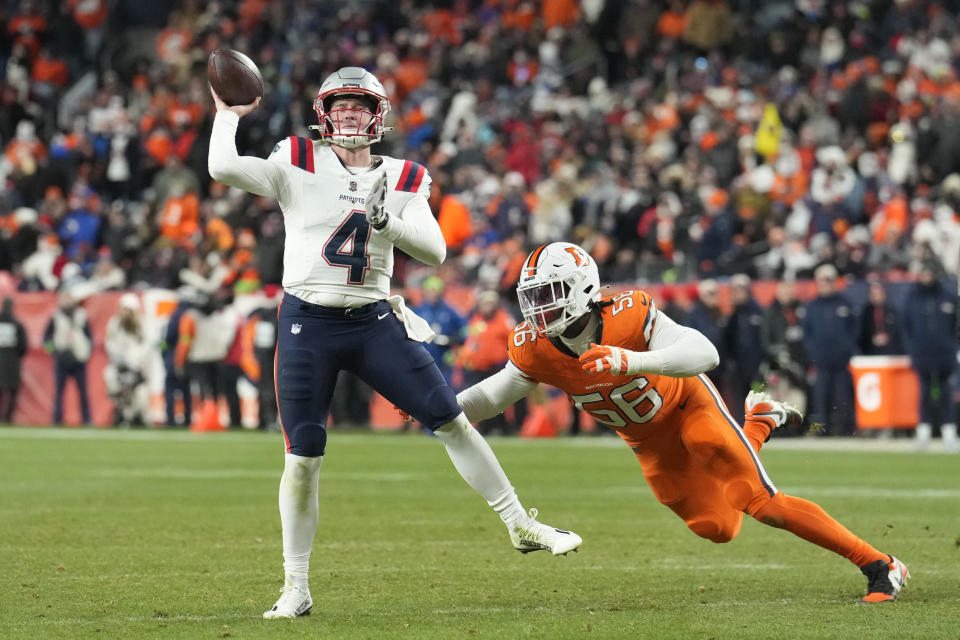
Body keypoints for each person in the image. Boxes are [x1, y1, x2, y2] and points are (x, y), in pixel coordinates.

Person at [207, 66, 581, 619]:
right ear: (324, 113)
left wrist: (387, 222)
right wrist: (227, 115)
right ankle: (296, 585)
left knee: (450, 417)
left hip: (372, 319)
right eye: (341, 105)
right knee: (303, 456)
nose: (350, 114)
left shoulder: (406, 175)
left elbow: (435, 251)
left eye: (360, 104)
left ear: (377, 113)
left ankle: (520, 523)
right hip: (307, 321)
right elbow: (221, 167)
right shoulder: (297, 159)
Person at [447, 241, 908, 604]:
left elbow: (705, 354)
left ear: (583, 288)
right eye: (533, 298)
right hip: (647, 443)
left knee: (758, 501)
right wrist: (440, 406)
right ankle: (760, 424)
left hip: (688, 406)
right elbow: (492, 396)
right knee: (718, 528)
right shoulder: (533, 346)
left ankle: (879, 564)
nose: (538, 309)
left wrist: (628, 361)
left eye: (549, 295)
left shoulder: (629, 312)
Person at [900, 259, 959, 453]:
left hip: (944, 354)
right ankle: (923, 434)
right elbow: (906, 328)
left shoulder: (948, 297)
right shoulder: (913, 298)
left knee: (945, 394)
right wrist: (913, 349)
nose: (927, 277)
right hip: (922, 354)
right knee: (924, 394)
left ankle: (949, 434)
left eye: (930, 273)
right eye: (924, 273)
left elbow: (955, 326)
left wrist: (952, 347)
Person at [802, 264, 858, 435]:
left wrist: (847, 350)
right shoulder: (812, 307)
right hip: (821, 362)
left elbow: (854, 330)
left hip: (841, 362)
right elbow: (807, 334)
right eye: (822, 280)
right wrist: (814, 355)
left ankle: (843, 432)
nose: (826, 283)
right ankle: (821, 431)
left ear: (835, 281)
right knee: (821, 398)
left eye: (829, 279)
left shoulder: (845, 304)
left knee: (842, 398)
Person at [43, 291, 93, 425]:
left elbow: (90, 337)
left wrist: (86, 352)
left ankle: (87, 420)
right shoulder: (55, 316)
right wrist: (54, 352)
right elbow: (46, 339)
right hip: (62, 358)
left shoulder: (81, 315)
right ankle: (57, 420)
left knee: (83, 392)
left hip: (78, 358)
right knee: (59, 392)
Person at [103, 293, 150, 426]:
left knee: (140, 393)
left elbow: (146, 346)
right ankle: (121, 413)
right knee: (111, 379)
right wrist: (120, 358)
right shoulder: (114, 323)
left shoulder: (142, 324)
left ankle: (136, 416)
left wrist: (134, 360)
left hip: (137, 366)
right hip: (119, 365)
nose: (125, 314)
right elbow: (110, 344)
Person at [412, 275, 465, 386]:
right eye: (431, 290)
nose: (434, 294)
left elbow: (465, 328)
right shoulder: (417, 311)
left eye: (437, 291)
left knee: (445, 391)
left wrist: (455, 339)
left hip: (444, 360)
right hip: (422, 360)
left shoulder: (449, 311)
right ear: (425, 292)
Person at [0, 297, 28, 422]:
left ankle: (5, 417)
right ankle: (8, 417)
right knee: (13, 390)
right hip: (13, 362)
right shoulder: (17, 324)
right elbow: (23, 346)